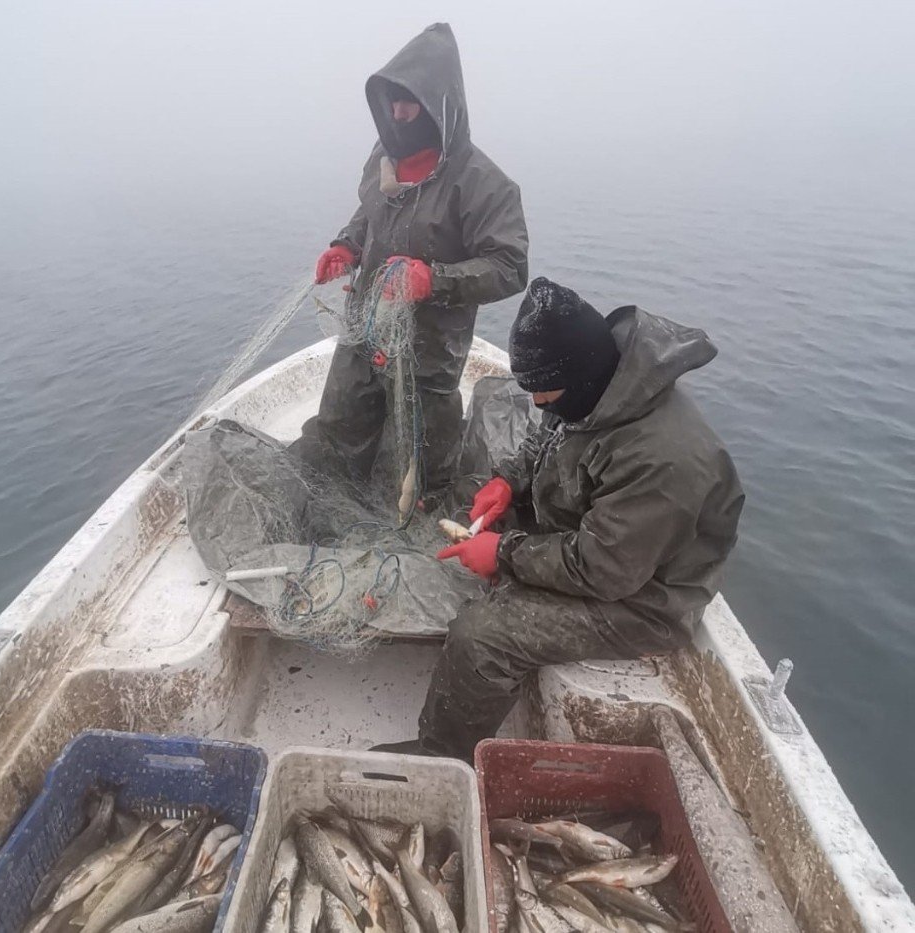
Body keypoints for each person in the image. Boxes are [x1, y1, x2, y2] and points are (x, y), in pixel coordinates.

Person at [376, 277, 745, 761]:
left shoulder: (664, 459)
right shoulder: (593, 391)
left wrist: (503, 555)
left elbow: (605, 569)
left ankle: (442, 755)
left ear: (583, 378)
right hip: (589, 536)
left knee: (482, 634)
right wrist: (508, 481)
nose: (538, 404)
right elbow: (548, 440)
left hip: (644, 600)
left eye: (546, 395)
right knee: (470, 504)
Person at [293, 23, 529, 500]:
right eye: (392, 102)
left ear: (440, 103)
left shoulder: (483, 182)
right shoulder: (383, 156)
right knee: (338, 428)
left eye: (410, 101)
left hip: (429, 349)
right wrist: (347, 246)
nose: (398, 114)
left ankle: (420, 509)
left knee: (420, 465)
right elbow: (370, 213)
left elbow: (510, 266)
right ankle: (331, 499)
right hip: (366, 328)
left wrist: (433, 280)